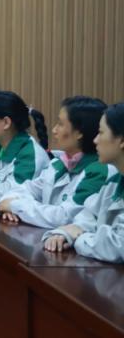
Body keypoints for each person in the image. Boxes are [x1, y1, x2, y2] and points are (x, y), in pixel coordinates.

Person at [0, 96, 109, 228]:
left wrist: (15, 206)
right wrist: (10, 206)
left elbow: (65, 217)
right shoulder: (58, 163)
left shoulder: (99, 171)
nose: (54, 130)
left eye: (60, 124)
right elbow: (24, 189)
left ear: (79, 132)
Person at [42, 103, 124, 262]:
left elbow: (117, 245)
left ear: (121, 140)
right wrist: (65, 233)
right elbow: (88, 216)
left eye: (101, 133)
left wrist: (80, 238)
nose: (95, 140)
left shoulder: (106, 173)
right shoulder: (115, 181)